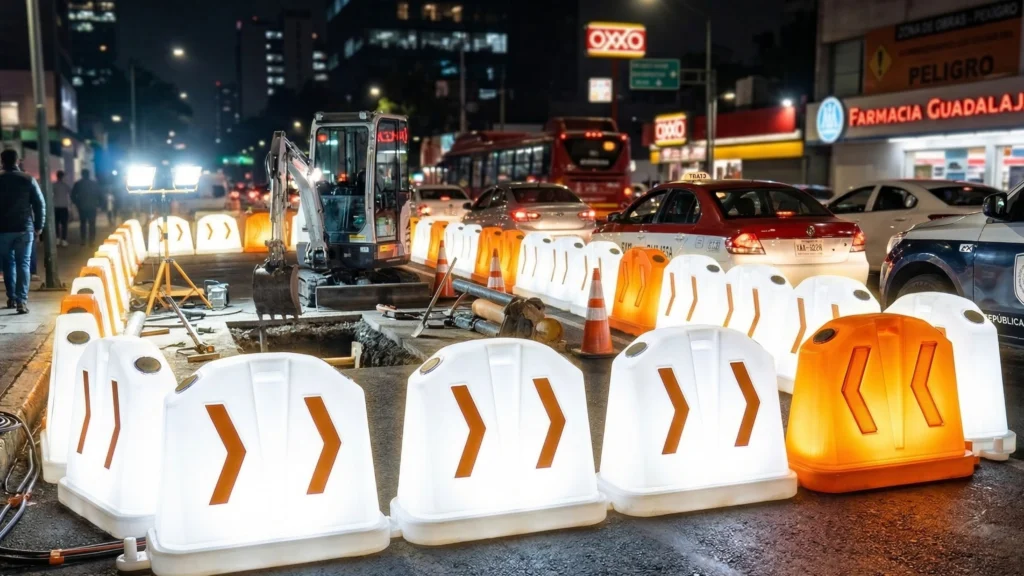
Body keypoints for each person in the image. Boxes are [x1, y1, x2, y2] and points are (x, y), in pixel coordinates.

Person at [0, 149, 45, 314]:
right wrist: (39, 226)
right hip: (24, 229)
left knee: (7, 264)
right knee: (23, 264)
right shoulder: (28, 179)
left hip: (3, 230)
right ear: (18, 161)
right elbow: (40, 204)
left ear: (2, 161)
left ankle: (11, 297)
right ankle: (21, 302)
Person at [71, 169, 101, 246]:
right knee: (92, 224)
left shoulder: (78, 184)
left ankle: (83, 240)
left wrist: (77, 203)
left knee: (83, 224)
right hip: (92, 206)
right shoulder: (94, 184)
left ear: (82, 175)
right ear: (89, 174)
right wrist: (98, 204)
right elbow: (100, 194)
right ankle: (91, 241)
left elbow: (73, 195)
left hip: (82, 207)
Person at [52, 170, 71, 246]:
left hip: (56, 207)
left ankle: (57, 239)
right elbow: (70, 193)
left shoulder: (53, 185)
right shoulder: (65, 185)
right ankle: (63, 240)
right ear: (62, 177)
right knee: (64, 224)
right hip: (64, 207)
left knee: (56, 224)